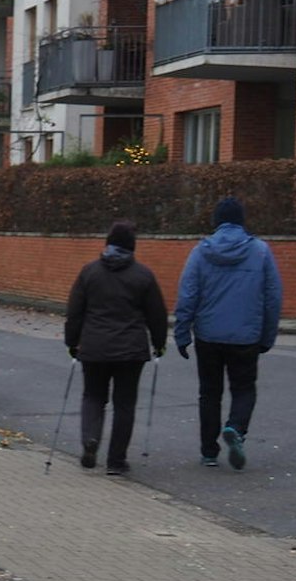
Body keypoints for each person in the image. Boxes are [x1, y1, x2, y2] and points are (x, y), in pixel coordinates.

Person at [174, 196, 283, 471]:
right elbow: (273, 297)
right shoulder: (260, 251)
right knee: (244, 388)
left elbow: (188, 295)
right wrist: (267, 336)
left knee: (209, 393)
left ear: (217, 221)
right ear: (242, 220)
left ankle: (209, 452)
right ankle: (236, 427)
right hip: (246, 336)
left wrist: (182, 333)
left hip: (208, 335)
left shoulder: (201, 252)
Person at [65, 220, 168, 475]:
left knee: (93, 396)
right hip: (131, 352)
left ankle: (90, 439)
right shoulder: (143, 276)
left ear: (107, 244)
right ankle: (116, 461)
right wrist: (159, 343)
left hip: (94, 347)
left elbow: (75, 311)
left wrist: (72, 342)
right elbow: (157, 314)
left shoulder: (89, 272)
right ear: (132, 248)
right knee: (124, 404)